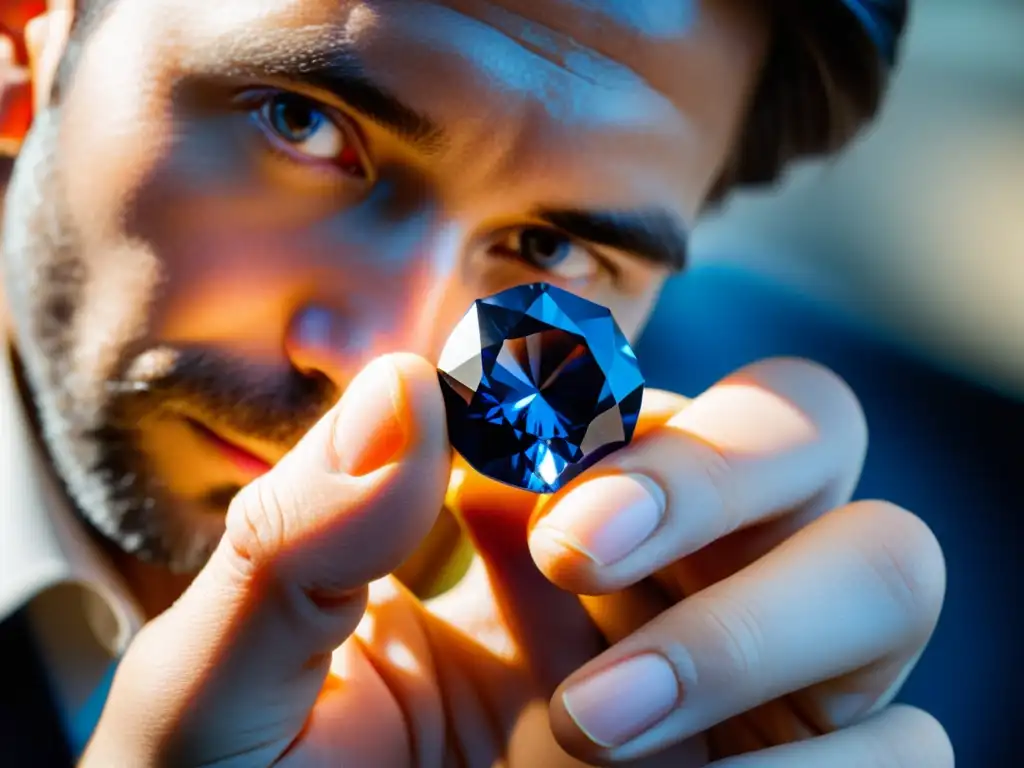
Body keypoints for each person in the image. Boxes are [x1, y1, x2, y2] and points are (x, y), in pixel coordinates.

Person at [0, 1, 953, 766]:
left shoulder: (623, 623)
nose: (389, 367)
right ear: (23, 38)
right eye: (303, 124)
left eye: (549, 249)